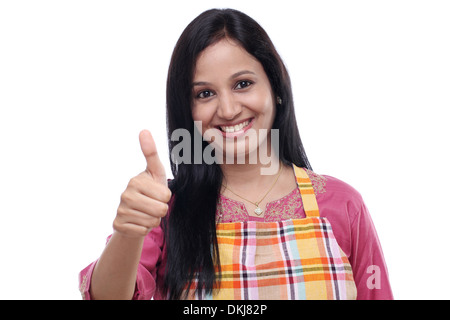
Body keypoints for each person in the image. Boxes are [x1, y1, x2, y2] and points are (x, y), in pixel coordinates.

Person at [79, 8, 393, 300]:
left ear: (276, 88)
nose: (228, 110)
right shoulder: (164, 209)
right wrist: (128, 232)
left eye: (243, 84)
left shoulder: (343, 204)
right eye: (205, 93)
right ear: (188, 110)